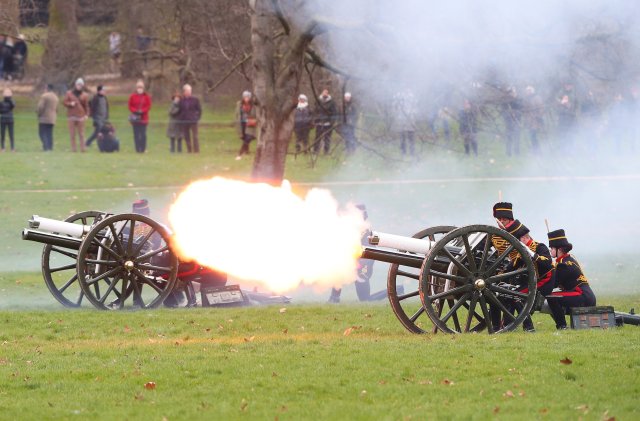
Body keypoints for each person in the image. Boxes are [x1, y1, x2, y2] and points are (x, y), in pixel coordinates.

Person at [328, 204, 390, 303]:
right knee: (339, 272)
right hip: (353, 261)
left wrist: (360, 266)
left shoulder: (366, 231)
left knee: (365, 299)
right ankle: (334, 299)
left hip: (364, 264)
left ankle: (396, 290)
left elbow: (369, 252)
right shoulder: (349, 228)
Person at [502, 220, 556, 332]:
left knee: (516, 295)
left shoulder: (540, 247)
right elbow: (512, 266)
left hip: (546, 280)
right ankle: (507, 325)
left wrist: (532, 254)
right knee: (510, 294)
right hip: (534, 282)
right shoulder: (521, 252)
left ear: (524, 238)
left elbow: (546, 263)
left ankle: (529, 327)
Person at [546, 229, 597, 330]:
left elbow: (553, 284)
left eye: (552, 248)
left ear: (559, 249)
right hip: (584, 295)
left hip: (583, 296)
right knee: (554, 297)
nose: (550, 250)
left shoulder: (564, 265)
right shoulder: (567, 260)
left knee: (551, 297)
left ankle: (562, 326)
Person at [63, 78, 90, 152]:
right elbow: (64, 102)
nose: (79, 86)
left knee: (81, 134)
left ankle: (83, 148)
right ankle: (73, 149)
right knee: (72, 134)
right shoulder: (69, 93)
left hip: (81, 116)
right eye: (78, 84)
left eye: (81, 85)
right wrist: (70, 104)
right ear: (75, 85)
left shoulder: (85, 95)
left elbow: (86, 106)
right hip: (71, 116)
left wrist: (87, 114)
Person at [128, 80, 152, 153]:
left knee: (143, 134)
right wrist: (135, 110)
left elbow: (148, 106)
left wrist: (142, 111)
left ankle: (143, 148)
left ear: (143, 88)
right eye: (138, 87)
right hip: (135, 118)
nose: (139, 89)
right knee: (136, 134)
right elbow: (130, 105)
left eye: (141, 87)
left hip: (143, 118)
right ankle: (137, 149)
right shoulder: (132, 96)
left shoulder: (146, 97)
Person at [393, 89, 417, 156]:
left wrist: (413, 114)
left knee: (411, 135)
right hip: (401, 118)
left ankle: (412, 152)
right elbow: (394, 106)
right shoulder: (398, 95)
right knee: (402, 136)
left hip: (410, 118)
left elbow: (415, 106)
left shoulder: (412, 96)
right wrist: (397, 114)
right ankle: (403, 152)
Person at [179, 84, 201, 153]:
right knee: (186, 136)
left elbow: (199, 110)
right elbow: (180, 110)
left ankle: (196, 150)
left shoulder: (195, 100)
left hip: (193, 120)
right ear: (184, 92)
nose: (189, 92)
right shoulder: (182, 100)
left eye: (190, 90)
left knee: (195, 136)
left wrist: (197, 117)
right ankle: (189, 150)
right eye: (187, 91)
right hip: (185, 120)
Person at [313, 89, 337, 155]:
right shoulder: (318, 101)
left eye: (326, 92)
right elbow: (315, 111)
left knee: (327, 138)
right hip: (319, 123)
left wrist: (332, 122)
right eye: (324, 92)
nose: (325, 94)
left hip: (328, 123)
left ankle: (326, 151)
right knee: (317, 138)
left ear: (328, 94)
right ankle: (315, 151)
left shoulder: (331, 102)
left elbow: (334, 113)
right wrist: (315, 120)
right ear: (322, 93)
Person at [501, 88, 522, 157]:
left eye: (514, 93)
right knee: (509, 137)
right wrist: (509, 114)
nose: (513, 94)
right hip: (509, 123)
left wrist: (515, 113)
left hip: (516, 122)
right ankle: (508, 153)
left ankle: (517, 152)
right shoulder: (505, 102)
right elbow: (503, 113)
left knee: (517, 138)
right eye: (511, 93)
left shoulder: (518, 101)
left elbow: (520, 111)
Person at [37, 84, 59, 151]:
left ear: (47, 88)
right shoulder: (56, 97)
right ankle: (50, 147)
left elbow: (40, 107)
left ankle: (46, 147)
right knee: (49, 133)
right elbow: (57, 109)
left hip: (44, 118)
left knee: (42, 133)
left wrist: (39, 114)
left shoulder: (44, 96)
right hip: (52, 118)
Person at [235, 90, 256, 159]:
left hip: (250, 123)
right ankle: (246, 151)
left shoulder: (253, 105)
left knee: (248, 137)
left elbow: (255, 114)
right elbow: (237, 113)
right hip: (242, 123)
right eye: (245, 97)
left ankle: (240, 153)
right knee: (244, 137)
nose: (246, 98)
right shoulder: (240, 104)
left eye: (247, 97)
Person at [523, 86, 544, 153]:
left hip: (535, 120)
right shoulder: (526, 99)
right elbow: (525, 110)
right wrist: (526, 118)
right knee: (531, 136)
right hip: (529, 121)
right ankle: (535, 150)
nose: (527, 92)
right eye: (526, 91)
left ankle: (537, 150)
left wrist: (538, 116)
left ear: (532, 91)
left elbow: (541, 108)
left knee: (533, 135)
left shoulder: (537, 98)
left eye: (529, 91)